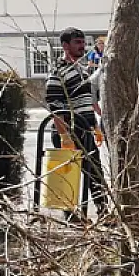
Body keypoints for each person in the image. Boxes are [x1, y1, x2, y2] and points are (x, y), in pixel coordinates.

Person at [46, 27, 108, 222]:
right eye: (77, 43)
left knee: (96, 173)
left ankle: (104, 212)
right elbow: (55, 106)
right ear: (65, 46)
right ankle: (72, 218)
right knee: (68, 177)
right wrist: (64, 136)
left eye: (83, 42)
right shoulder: (58, 71)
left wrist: (95, 127)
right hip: (67, 131)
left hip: (84, 130)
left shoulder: (82, 70)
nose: (82, 46)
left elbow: (86, 100)